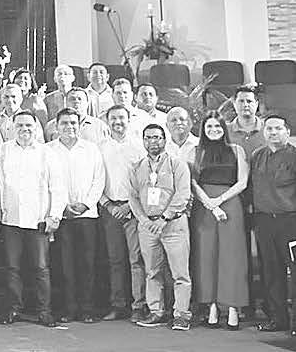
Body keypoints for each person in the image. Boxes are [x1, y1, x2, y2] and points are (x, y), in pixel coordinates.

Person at [0, 111, 64, 328]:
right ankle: (13, 308)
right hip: (11, 220)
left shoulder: (46, 153)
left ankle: (44, 311)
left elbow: (58, 187)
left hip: (38, 220)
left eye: (28, 125)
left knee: (40, 268)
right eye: (19, 125)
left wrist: (54, 215)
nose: (24, 129)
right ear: (12, 128)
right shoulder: (3, 150)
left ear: (36, 127)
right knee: (12, 268)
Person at [249, 115, 296, 338]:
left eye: (278, 128)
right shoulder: (257, 156)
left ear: (288, 132)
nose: (273, 132)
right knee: (271, 272)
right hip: (264, 221)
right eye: (269, 128)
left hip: (292, 220)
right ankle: (278, 319)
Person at [128, 124, 192, 331]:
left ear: (165, 140)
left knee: (180, 273)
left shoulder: (177, 165)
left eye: (156, 137)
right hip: (147, 226)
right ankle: (156, 311)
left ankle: (181, 314)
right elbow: (133, 197)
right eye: (148, 138)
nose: (152, 142)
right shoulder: (137, 167)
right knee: (152, 272)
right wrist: (144, 220)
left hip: (173, 225)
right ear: (143, 141)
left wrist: (164, 218)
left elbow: (183, 194)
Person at [187, 114, 248, 329]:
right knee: (206, 256)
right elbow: (192, 183)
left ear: (224, 128)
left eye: (217, 126)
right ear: (203, 130)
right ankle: (211, 306)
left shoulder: (237, 150)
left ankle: (232, 307)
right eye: (209, 126)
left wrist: (219, 201)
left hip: (230, 204)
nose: (213, 129)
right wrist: (210, 205)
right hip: (204, 207)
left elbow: (242, 182)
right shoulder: (195, 151)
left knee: (232, 257)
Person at [48, 108, 105, 324]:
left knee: (87, 264)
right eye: (64, 123)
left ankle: (87, 309)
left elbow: (99, 180)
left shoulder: (91, 149)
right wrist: (62, 207)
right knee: (65, 265)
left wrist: (85, 205)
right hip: (61, 217)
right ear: (56, 126)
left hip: (87, 215)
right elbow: (46, 182)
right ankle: (68, 309)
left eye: (73, 123)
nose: (69, 127)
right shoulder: (48, 150)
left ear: (79, 125)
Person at [97, 104, 147, 322]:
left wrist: (129, 205)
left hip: (134, 210)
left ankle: (139, 305)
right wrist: (108, 205)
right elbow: (95, 179)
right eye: (113, 118)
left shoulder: (139, 147)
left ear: (129, 120)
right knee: (115, 259)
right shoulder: (100, 148)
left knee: (136, 260)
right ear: (107, 121)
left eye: (121, 118)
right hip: (110, 210)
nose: (118, 122)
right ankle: (118, 305)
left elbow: (145, 181)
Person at [227, 86, 267, 152]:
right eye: (241, 101)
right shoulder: (225, 131)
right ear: (234, 104)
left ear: (256, 104)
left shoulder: (267, 129)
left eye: (249, 101)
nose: (245, 105)